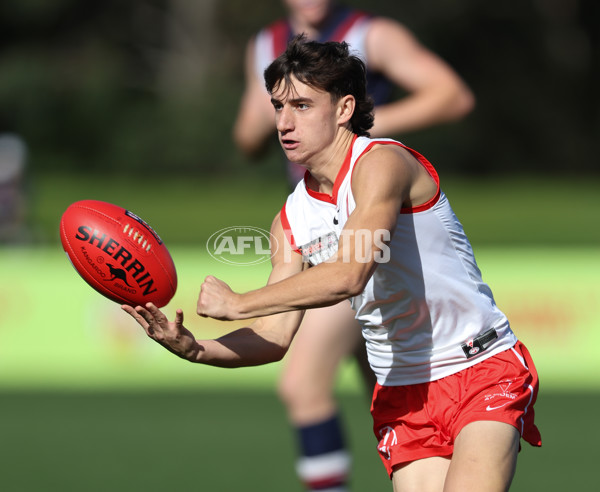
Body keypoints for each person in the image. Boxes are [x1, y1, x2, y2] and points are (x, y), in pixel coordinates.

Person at [124, 36, 541, 491]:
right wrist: (196, 348)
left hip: (479, 367)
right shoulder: (291, 219)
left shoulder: (382, 163)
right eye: (278, 106)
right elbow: (274, 336)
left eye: (301, 106)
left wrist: (240, 302)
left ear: (344, 109)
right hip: (401, 392)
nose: (284, 122)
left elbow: (349, 272)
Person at [232, 2, 476, 489]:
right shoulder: (264, 46)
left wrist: (361, 128)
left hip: (364, 237)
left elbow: (453, 96)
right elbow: (246, 137)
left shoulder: (372, 34)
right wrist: (276, 117)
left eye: (302, 105)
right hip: (315, 221)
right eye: (284, 105)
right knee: (398, 400)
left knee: (303, 383)